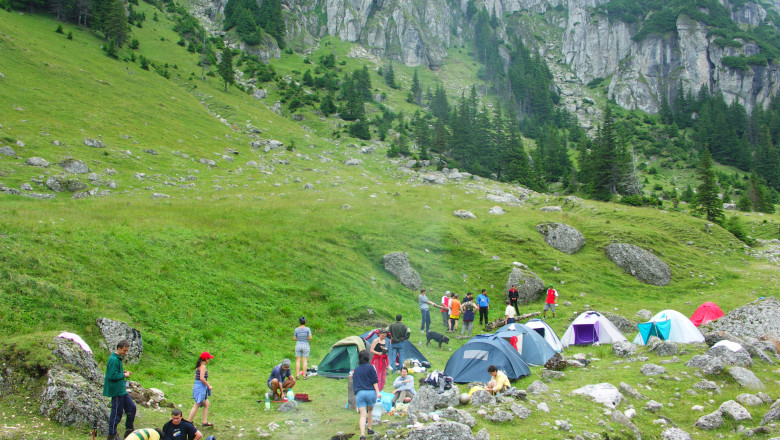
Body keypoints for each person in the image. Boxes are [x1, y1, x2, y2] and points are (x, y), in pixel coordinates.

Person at [104, 339, 135, 440]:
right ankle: (112, 435)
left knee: (131, 407)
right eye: (124, 351)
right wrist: (124, 375)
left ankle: (129, 429)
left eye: (126, 351)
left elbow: (115, 372)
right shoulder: (113, 360)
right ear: (119, 348)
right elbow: (112, 376)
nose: (125, 353)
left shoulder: (117, 358)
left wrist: (123, 372)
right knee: (116, 413)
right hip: (116, 391)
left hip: (121, 390)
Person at [353, 350, 380, 440]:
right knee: (370, 411)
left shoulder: (356, 370)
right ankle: (369, 428)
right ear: (368, 358)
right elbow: (375, 381)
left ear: (359, 359)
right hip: (371, 393)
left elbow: (355, 383)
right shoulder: (371, 367)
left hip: (360, 393)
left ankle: (362, 435)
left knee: (362, 415)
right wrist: (378, 392)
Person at [187, 352, 213, 427]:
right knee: (197, 404)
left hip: (198, 386)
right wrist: (208, 385)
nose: (209, 360)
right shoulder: (203, 366)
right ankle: (188, 422)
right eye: (209, 359)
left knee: (206, 404)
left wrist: (205, 383)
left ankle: (204, 422)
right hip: (200, 388)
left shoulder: (198, 366)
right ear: (206, 359)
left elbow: (196, 377)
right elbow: (201, 378)